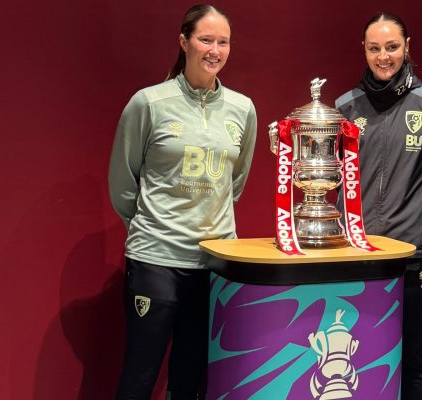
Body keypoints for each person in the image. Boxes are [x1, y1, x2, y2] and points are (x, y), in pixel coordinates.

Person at [108, 4, 256, 399]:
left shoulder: (243, 110)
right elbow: (123, 183)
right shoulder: (149, 103)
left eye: (223, 42)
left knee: (192, 380)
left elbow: (234, 181)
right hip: (156, 260)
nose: (215, 50)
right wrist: (152, 228)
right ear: (184, 41)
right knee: (140, 376)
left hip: (214, 263)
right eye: (206, 39)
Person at [335, 12, 422, 400]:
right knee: (358, 354)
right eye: (375, 48)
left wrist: (414, 215)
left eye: (391, 47)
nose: (383, 56)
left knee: (410, 357)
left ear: (407, 47)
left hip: (412, 253)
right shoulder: (344, 108)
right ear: (364, 51)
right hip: (358, 252)